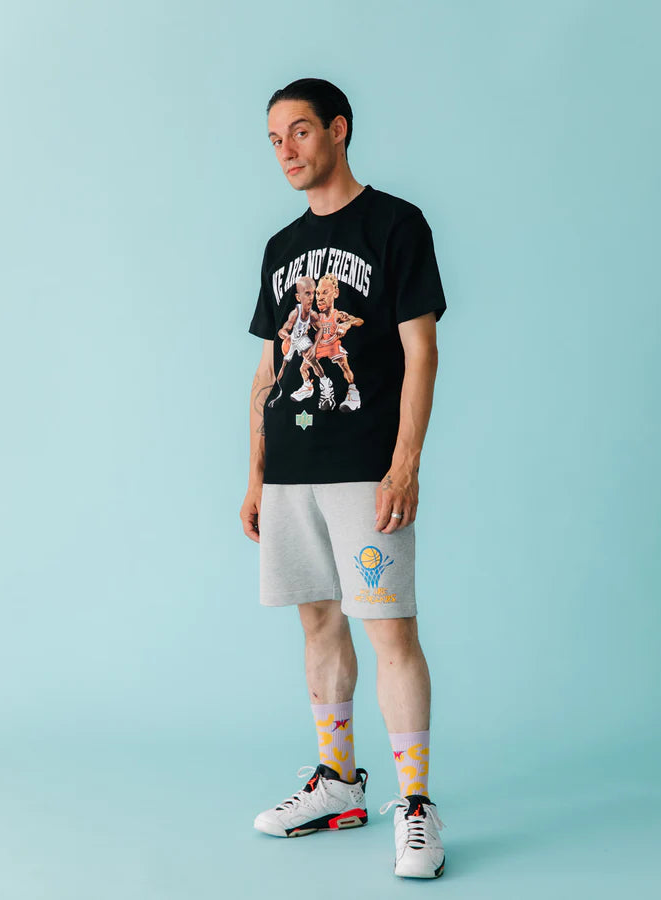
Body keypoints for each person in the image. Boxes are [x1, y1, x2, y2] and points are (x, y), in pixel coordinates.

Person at [240, 77, 447, 879]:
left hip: (366, 469)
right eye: (274, 140)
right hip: (291, 473)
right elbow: (266, 370)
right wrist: (255, 475)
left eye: (298, 131)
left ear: (338, 129)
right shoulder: (279, 248)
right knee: (318, 623)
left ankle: (417, 805)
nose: (285, 151)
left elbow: (422, 352)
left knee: (389, 630)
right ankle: (338, 783)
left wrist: (405, 462)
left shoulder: (397, 224)